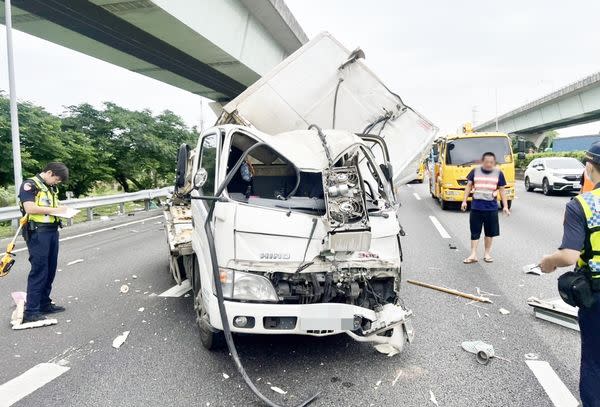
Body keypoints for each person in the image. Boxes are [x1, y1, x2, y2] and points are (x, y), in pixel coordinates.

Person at [539, 142, 600, 406]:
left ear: (589, 168)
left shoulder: (583, 205)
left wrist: (548, 262)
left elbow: (569, 256)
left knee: (594, 362)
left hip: (596, 298)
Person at [18, 162, 70, 323]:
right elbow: (30, 208)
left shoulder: (49, 187)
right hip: (38, 233)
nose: (57, 182)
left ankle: (44, 303)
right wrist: (56, 211)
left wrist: (63, 208)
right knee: (39, 270)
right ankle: (31, 311)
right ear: (49, 172)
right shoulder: (30, 185)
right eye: (57, 179)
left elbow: (49, 206)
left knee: (50, 269)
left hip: (52, 231)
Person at [461, 152, 510, 264]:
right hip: (476, 207)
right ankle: (473, 254)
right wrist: (464, 201)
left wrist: (505, 206)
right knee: (475, 232)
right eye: (487, 162)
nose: (489, 164)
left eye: (491, 162)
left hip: (491, 208)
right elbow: (468, 186)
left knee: (489, 233)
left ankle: (487, 254)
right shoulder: (475, 171)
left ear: (494, 162)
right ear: (483, 161)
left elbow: (502, 190)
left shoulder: (498, 173)